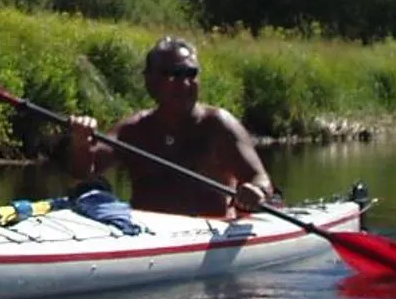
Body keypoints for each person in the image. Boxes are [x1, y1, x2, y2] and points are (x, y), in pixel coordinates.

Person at [66, 37, 281, 218]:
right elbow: (85, 172)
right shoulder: (133, 129)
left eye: (191, 73)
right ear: (150, 80)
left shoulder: (218, 124)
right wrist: (80, 143)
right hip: (148, 235)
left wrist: (257, 190)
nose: (185, 83)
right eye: (174, 74)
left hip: (210, 234)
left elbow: (260, 178)